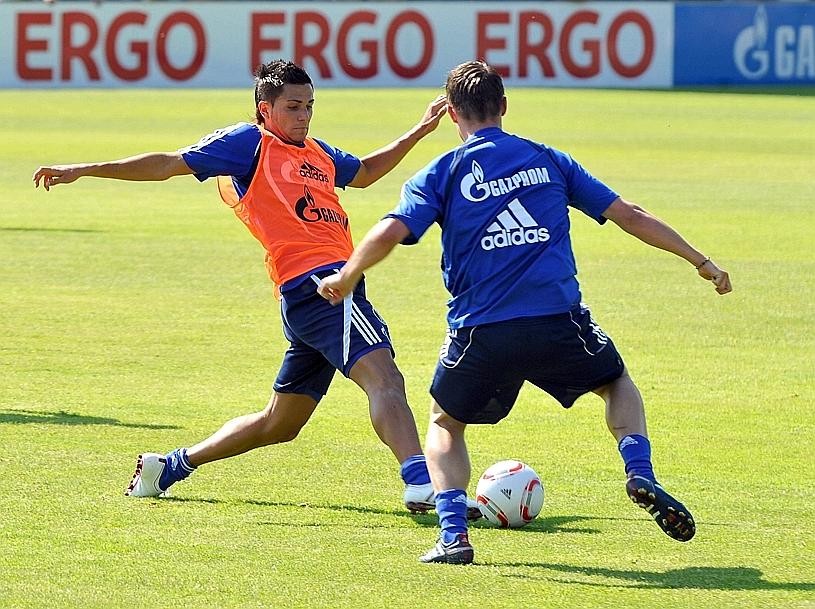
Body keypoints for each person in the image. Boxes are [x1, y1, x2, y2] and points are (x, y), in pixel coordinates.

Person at [318, 60, 733, 564]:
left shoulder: (443, 172)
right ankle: (639, 471)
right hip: (558, 320)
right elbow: (629, 214)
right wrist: (701, 261)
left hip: (480, 329)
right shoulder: (548, 159)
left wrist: (347, 275)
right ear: (505, 106)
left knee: (445, 421)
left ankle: (453, 536)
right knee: (616, 382)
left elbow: (391, 229)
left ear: (452, 114)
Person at [32, 59, 479, 518]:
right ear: (265, 109)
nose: (303, 116)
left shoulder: (318, 153)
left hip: (312, 295)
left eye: (309, 106)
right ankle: (420, 481)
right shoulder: (249, 144)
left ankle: (167, 467)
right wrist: (84, 168)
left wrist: (419, 131)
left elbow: (363, 172)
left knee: (279, 424)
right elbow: (167, 163)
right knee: (384, 378)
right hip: (321, 285)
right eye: (292, 107)